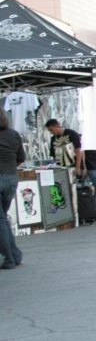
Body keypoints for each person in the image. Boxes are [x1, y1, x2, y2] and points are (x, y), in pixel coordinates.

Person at [44, 118, 96, 197]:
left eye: (52, 130)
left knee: (81, 189)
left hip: (74, 167)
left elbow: (79, 151)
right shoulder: (53, 139)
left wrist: (79, 167)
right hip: (62, 168)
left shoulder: (71, 134)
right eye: (50, 131)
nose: (51, 132)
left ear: (57, 126)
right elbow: (54, 155)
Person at [0, 109, 25, 269]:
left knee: (1, 220)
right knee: (2, 217)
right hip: (11, 178)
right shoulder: (14, 134)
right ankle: (15, 255)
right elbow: (21, 158)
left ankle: (9, 258)